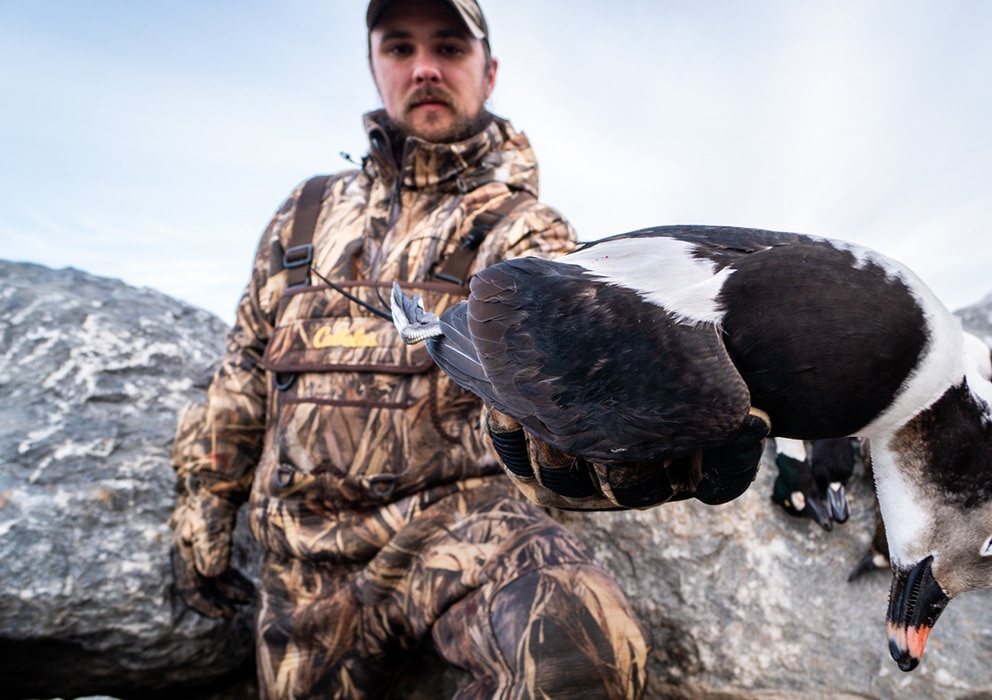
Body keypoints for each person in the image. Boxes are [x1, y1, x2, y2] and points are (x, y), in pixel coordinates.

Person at [168, 1, 649, 697]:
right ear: (374, 65)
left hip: (459, 530)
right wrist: (205, 500)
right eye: (400, 48)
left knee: (581, 645)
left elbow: (573, 363)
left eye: (449, 48)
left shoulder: (522, 232)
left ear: (489, 72)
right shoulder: (302, 214)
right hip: (302, 563)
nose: (424, 68)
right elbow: (244, 362)